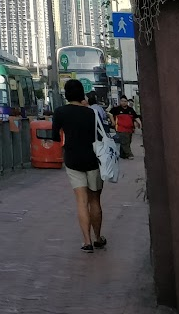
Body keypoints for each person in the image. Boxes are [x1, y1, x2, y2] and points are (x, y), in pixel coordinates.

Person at [52, 79, 106, 253]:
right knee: (95, 200)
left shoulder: (60, 112)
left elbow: (54, 136)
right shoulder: (92, 113)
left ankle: (87, 242)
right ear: (82, 93)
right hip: (93, 159)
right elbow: (101, 135)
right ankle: (98, 238)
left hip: (73, 159)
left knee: (81, 201)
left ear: (66, 94)